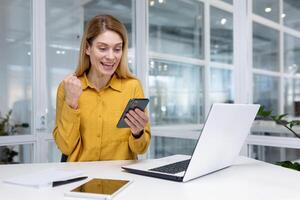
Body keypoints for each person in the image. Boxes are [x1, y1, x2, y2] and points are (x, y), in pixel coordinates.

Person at [53, 15, 151, 162]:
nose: (111, 57)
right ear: (87, 48)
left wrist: (138, 133)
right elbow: (65, 147)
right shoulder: (67, 87)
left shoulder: (132, 86)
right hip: (80, 180)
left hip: (121, 180)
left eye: (117, 49)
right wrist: (72, 103)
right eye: (103, 48)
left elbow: (141, 149)